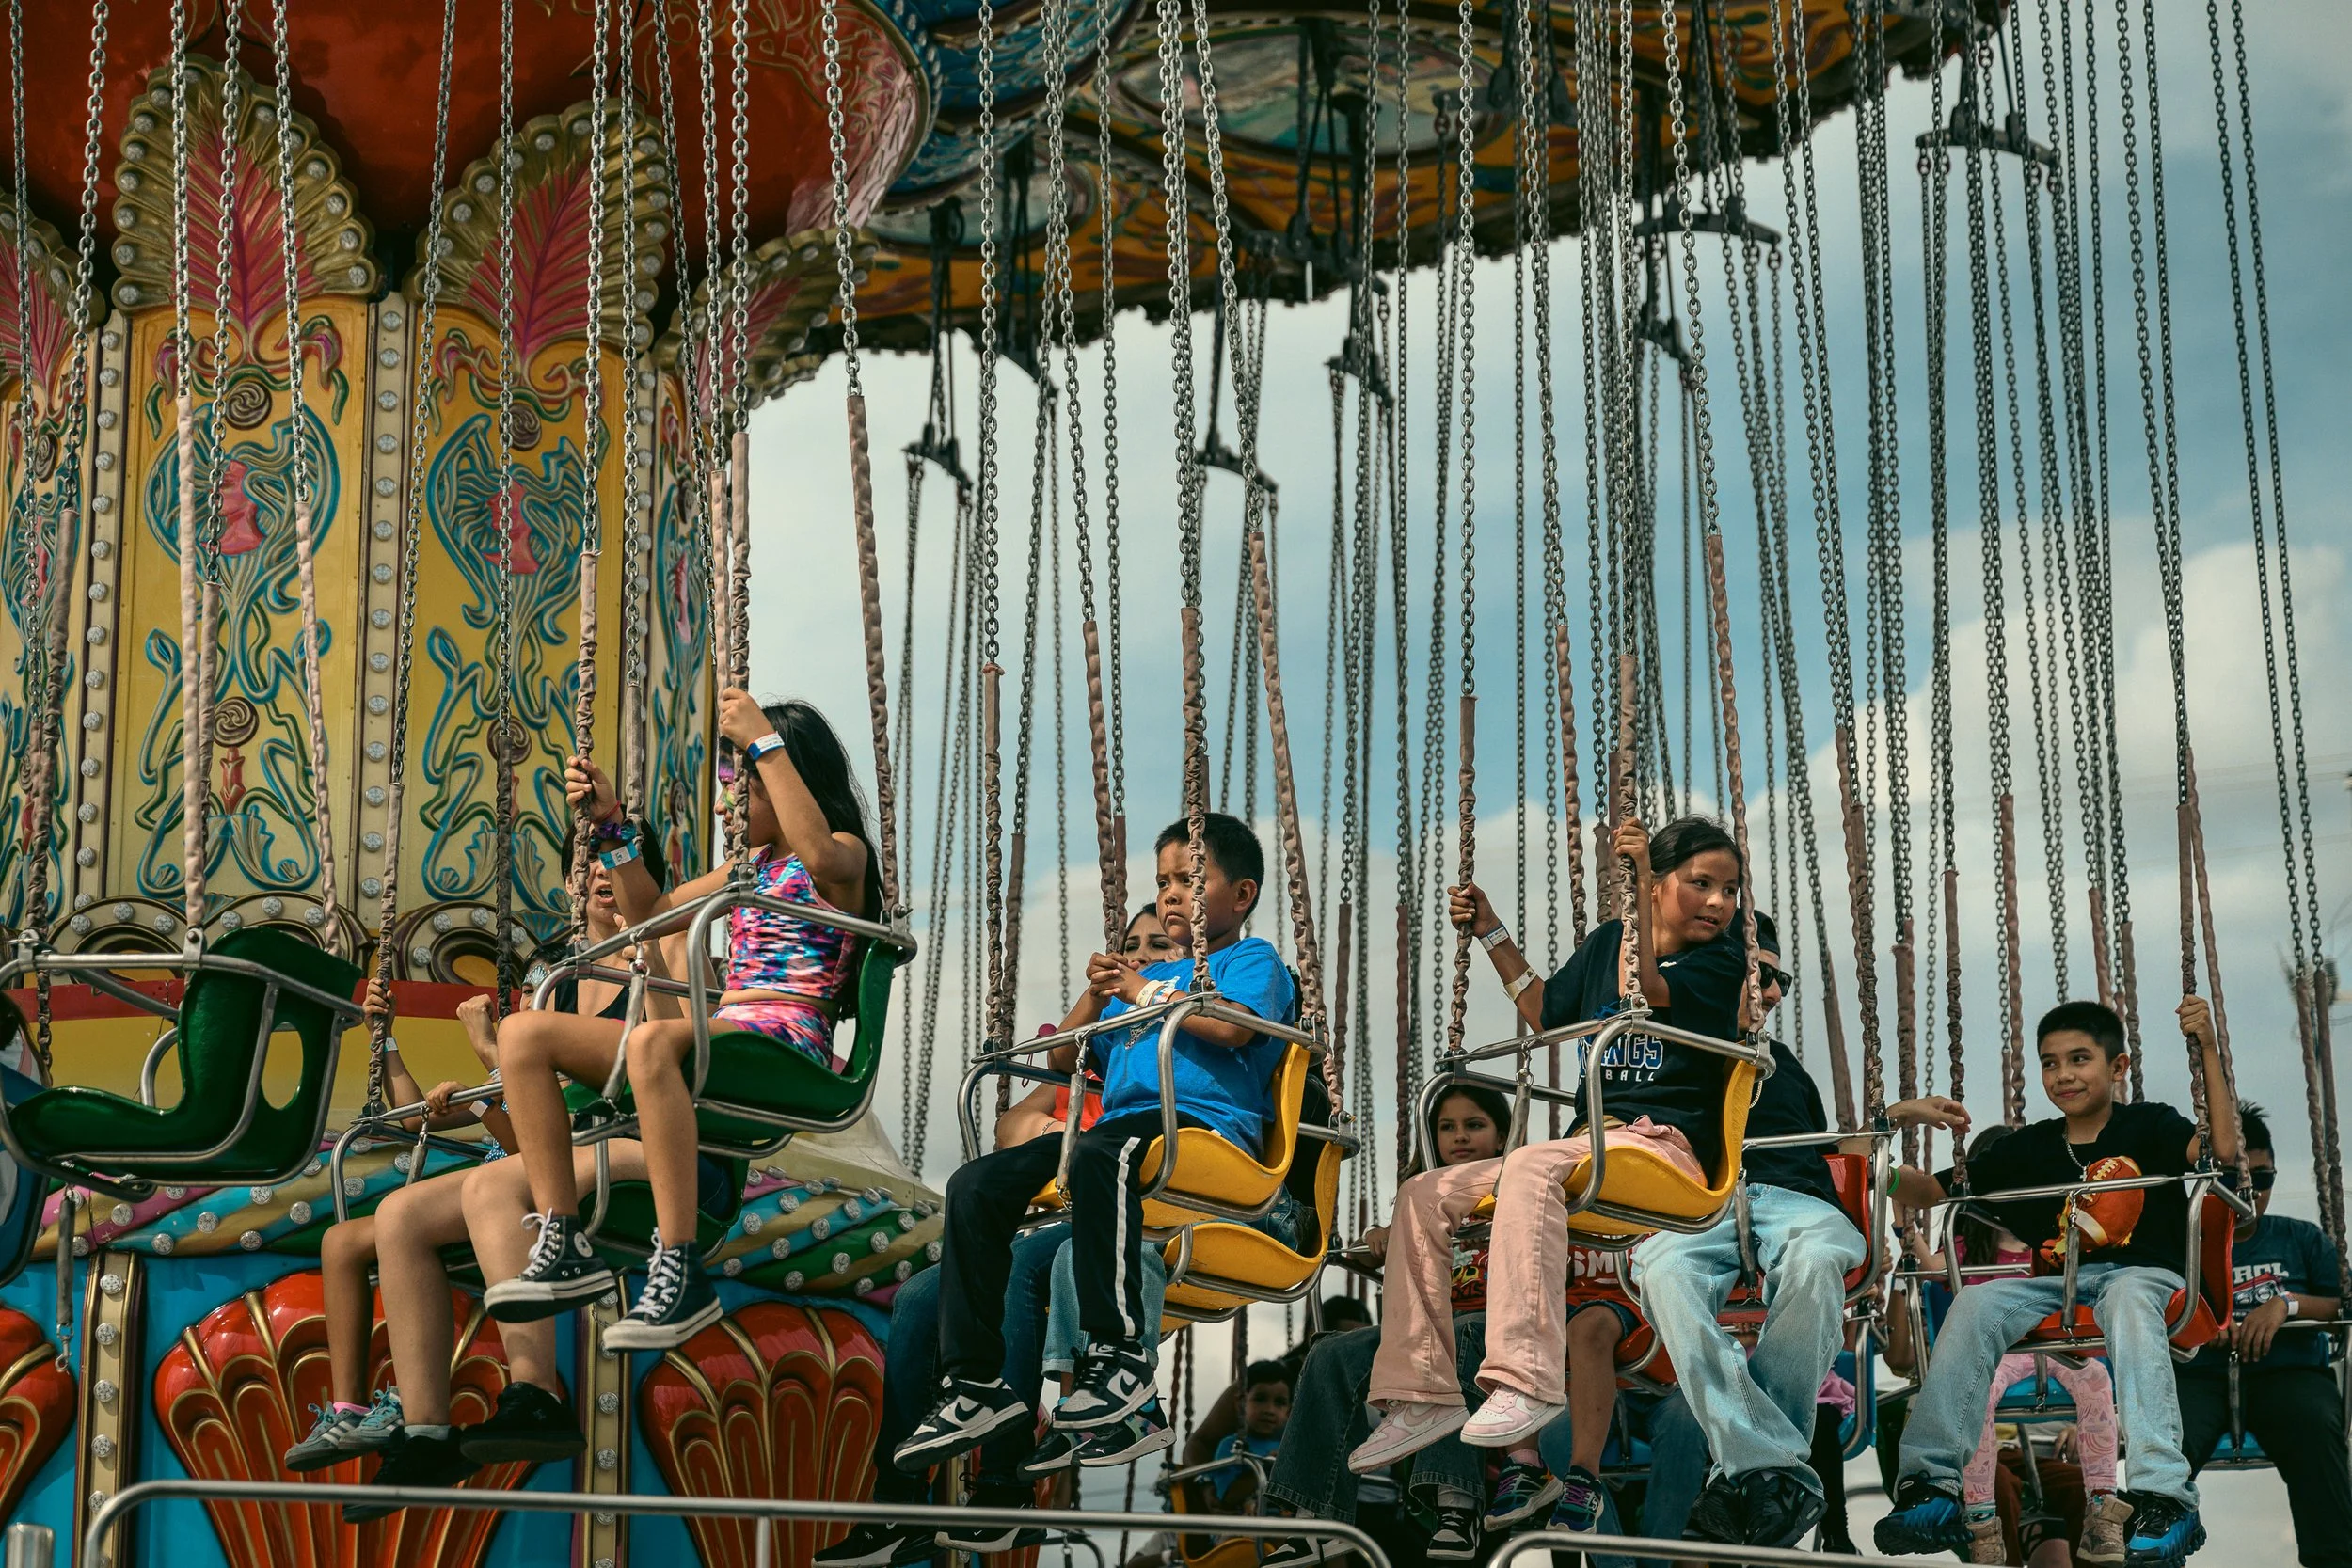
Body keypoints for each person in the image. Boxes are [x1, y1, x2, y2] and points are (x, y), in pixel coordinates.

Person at [1350, 817, 1762, 1481]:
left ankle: (1526, 1379)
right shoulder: (1608, 943)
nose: (1719, 903)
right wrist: (1490, 931)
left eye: (1729, 889)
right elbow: (1547, 1013)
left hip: (1667, 1149)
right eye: (1702, 884)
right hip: (1596, 1149)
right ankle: (1421, 1391)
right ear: (1660, 885)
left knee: (1535, 1165)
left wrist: (1640, 892)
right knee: (1423, 1194)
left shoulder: (1722, 960)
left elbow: (1651, 993)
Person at [335, 829, 725, 1517]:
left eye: (618, 866)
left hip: (658, 1151)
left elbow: (679, 1067)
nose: (604, 878)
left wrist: (650, 944)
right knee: (399, 1215)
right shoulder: (562, 987)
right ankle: (426, 1428)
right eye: (590, 868)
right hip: (582, 1154)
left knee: (494, 1182)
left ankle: (536, 1388)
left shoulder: (672, 951)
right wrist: (431, 1050)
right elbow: (533, 1122)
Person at [895, 812, 1296, 1474]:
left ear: (1241, 895)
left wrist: (1143, 988)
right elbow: (1061, 1062)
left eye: (1188, 880)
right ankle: (974, 1381)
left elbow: (1235, 1030)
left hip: (1202, 1132)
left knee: (1099, 1151)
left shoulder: (1249, 960)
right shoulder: (1138, 991)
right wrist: (1098, 992)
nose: (1170, 894)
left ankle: (1120, 1355)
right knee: (978, 1184)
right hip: (1130, 1131)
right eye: (1163, 881)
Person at [483, 689, 882, 1348]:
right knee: (523, 1035)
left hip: (783, 1042)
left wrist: (763, 740)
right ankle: (561, 1234)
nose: (726, 802)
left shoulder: (842, 857)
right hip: (729, 1035)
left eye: (738, 785)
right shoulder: (745, 870)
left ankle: (680, 1263)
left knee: (651, 1044)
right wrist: (612, 823)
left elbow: (818, 854)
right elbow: (650, 912)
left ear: (785, 778)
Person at [1623, 925, 1964, 1550]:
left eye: (1779, 978)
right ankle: (1774, 1465)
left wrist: (1900, 1120)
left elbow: (1840, 1152)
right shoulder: (1665, 1057)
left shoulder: (1787, 1069)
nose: (1772, 990)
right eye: (1760, 974)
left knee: (1813, 1264)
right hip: (1704, 1207)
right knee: (1662, 1272)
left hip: (1795, 1204)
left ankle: (1755, 1464)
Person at [1877, 996, 2239, 1568]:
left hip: (2145, 1280)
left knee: (2125, 1294)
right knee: (1976, 1303)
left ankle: (2164, 1492)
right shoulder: (2033, 1148)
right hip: (2066, 1288)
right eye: (2050, 1063)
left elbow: (2222, 1152)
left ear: (2117, 1068)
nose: (2064, 1075)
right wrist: (1888, 1130)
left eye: (2079, 1059)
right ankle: (1930, 1483)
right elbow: (1933, 1191)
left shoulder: (2152, 1125)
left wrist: (2210, 1052)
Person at [281, 977, 523, 1470]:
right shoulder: (512, 1074)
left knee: (402, 1216)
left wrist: (486, 1071)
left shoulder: (540, 1074)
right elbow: (413, 1119)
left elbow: (528, 1147)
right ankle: (348, 1408)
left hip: (514, 1197)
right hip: (481, 1193)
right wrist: (384, 1038)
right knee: (341, 1242)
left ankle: (418, 1405)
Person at [1899, 1124, 2123, 1565]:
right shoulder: (1966, 1247)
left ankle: (2103, 1505)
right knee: (1973, 1391)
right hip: (1998, 1354)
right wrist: (1904, 1223)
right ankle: (1983, 1518)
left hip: (2048, 1350)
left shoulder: (2056, 1244)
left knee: (2096, 1379)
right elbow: (1929, 1269)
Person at [2174, 1101, 2351, 1568]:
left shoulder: (2301, 1238)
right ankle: (2151, 1551)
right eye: (2236, 1180)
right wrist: (2203, 1323)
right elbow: (2156, 1305)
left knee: (2316, 1428)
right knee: (2167, 1452)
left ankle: (2332, 1558)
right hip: (2200, 1377)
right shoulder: (2182, 1243)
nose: (2251, 1193)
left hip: (2288, 1374)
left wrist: (2286, 1305)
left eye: (2263, 1179)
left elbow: (2344, 1304)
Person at [1207, 1360, 1295, 1513]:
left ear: (1289, 1411)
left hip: (1281, 1528)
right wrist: (1266, 1467)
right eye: (1260, 1399)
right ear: (1241, 1403)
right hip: (1242, 1530)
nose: (1269, 1410)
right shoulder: (1231, 1446)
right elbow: (1227, 1497)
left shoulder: (1289, 1449)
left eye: (1279, 1403)